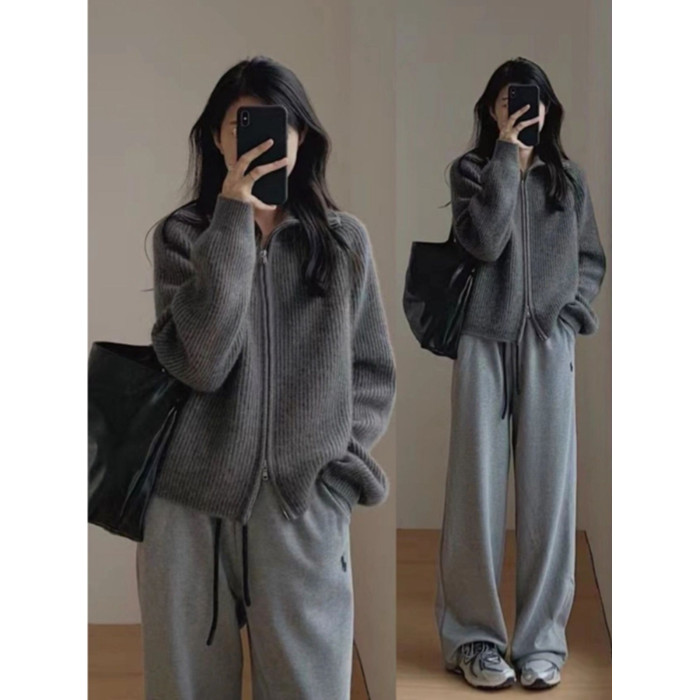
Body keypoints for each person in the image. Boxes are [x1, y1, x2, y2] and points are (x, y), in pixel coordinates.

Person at [136, 55, 396, 700]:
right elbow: (201, 363)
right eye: (240, 125)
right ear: (216, 138)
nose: (258, 140)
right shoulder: (182, 237)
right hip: (188, 509)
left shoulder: (344, 242)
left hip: (302, 506)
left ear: (301, 137)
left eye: (279, 125)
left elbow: (371, 373)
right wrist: (231, 220)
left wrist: (333, 471)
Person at [434, 57, 606, 691]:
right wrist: (506, 155)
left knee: (549, 497)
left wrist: (570, 314)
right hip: (483, 341)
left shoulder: (569, 179)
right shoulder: (472, 172)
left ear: (548, 108)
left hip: (548, 345)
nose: (520, 110)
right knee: (475, 493)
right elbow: (481, 241)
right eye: (508, 102)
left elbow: (591, 258)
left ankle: (541, 642)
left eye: (529, 101)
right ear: (492, 110)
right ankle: (474, 640)